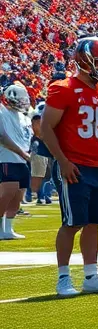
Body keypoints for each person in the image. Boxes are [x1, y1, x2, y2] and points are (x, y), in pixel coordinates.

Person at [40, 37, 98, 297]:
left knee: (93, 223)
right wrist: (62, 161)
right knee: (72, 223)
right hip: (73, 164)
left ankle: (91, 276)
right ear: (85, 61)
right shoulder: (63, 88)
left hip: (96, 164)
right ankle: (63, 277)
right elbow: (45, 127)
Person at [0, 83, 33, 240]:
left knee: (18, 196)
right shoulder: (2, 113)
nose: (22, 102)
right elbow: (3, 137)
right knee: (7, 193)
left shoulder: (24, 118)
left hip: (22, 160)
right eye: (19, 99)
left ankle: (8, 228)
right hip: (7, 158)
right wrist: (22, 153)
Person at [28, 104, 53, 206]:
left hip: (46, 155)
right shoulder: (37, 129)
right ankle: (41, 196)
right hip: (39, 155)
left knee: (46, 177)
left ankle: (44, 196)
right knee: (40, 177)